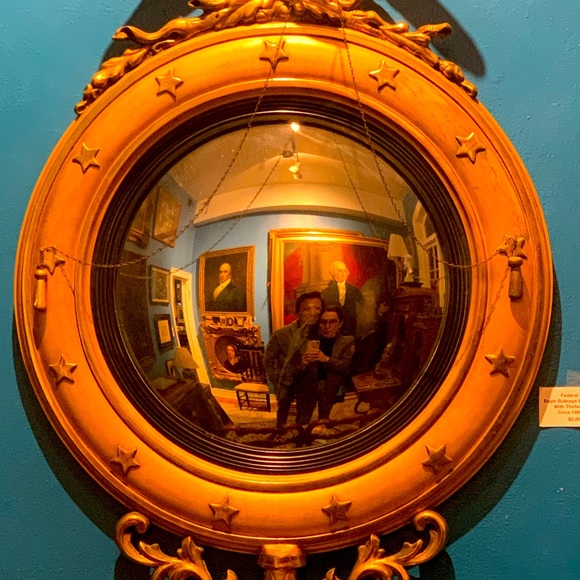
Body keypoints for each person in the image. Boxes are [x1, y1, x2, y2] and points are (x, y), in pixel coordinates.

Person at [264, 291, 324, 427]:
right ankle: (280, 430)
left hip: (310, 384)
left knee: (304, 418)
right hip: (287, 381)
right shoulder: (281, 334)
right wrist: (277, 380)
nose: (313, 313)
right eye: (307, 308)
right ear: (298, 311)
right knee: (282, 413)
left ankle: (301, 434)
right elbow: (268, 360)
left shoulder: (323, 334)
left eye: (317, 308)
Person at [299, 306, 355, 422]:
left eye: (332, 322)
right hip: (308, 385)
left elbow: (346, 367)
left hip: (330, 386)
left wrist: (326, 359)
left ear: (340, 323)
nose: (327, 326)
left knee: (324, 420)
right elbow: (294, 367)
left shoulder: (346, 341)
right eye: (323, 322)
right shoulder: (308, 341)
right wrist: (303, 363)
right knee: (302, 419)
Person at [321, 260, 363, 336]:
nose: (343, 273)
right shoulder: (325, 293)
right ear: (333, 273)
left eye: (344, 271)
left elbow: (363, 308)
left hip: (351, 328)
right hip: (332, 329)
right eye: (340, 271)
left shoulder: (355, 290)